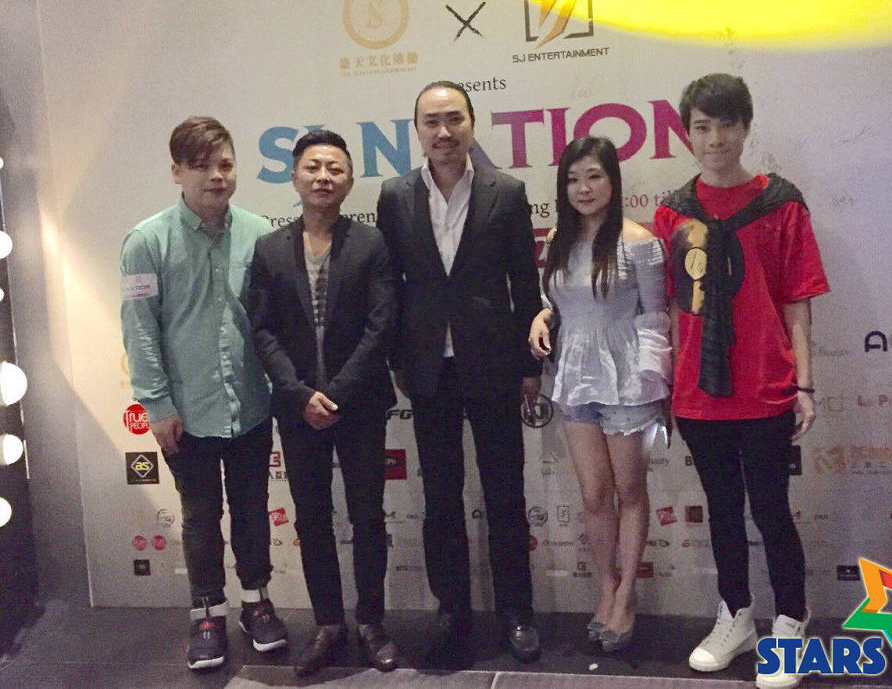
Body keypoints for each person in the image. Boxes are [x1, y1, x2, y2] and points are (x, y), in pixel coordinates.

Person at [653, 74, 829, 689]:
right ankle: (735, 616)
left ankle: (791, 620)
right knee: (722, 511)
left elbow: (797, 300)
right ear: (686, 133)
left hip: (765, 386)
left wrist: (804, 385)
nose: (715, 139)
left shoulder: (781, 203)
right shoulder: (673, 212)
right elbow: (670, 307)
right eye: (702, 126)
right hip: (699, 392)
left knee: (771, 510)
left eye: (727, 124)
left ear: (746, 128)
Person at [376, 80, 543, 667]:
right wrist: (397, 359)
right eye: (432, 122)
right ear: (417, 130)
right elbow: (388, 286)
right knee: (441, 497)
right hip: (428, 369)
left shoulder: (507, 191)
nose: (444, 132)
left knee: (506, 492)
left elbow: (525, 283)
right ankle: (451, 610)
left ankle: (517, 612)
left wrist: (529, 365)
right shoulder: (395, 195)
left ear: (472, 122)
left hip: (494, 363)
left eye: (454, 119)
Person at [120, 116, 287, 670]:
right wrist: (156, 405)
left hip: (251, 403)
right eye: (201, 166)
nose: (216, 176)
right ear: (177, 172)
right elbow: (139, 329)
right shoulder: (146, 242)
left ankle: (256, 603)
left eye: (225, 164)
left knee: (252, 509)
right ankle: (207, 613)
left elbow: (271, 321)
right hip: (184, 412)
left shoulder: (260, 233)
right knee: (199, 515)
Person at [247, 130, 399, 676]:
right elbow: (261, 330)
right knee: (312, 518)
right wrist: (298, 393)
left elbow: (381, 326)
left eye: (335, 168)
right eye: (312, 167)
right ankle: (328, 623)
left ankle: (372, 622)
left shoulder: (372, 243)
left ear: (350, 181)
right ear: (294, 177)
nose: (323, 177)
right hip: (296, 407)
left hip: (358, 402)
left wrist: (333, 393)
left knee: (367, 516)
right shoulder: (269, 249)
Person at [528, 136, 670, 652]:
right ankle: (605, 586)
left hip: (628, 378)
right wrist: (542, 314)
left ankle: (626, 594)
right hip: (574, 375)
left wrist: (653, 384)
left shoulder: (638, 242)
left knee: (629, 491)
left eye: (593, 176)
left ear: (613, 181)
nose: (583, 188)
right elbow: (554, 297)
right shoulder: (557, 240)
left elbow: (656, 318)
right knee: (593, 495)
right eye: (572, 179)